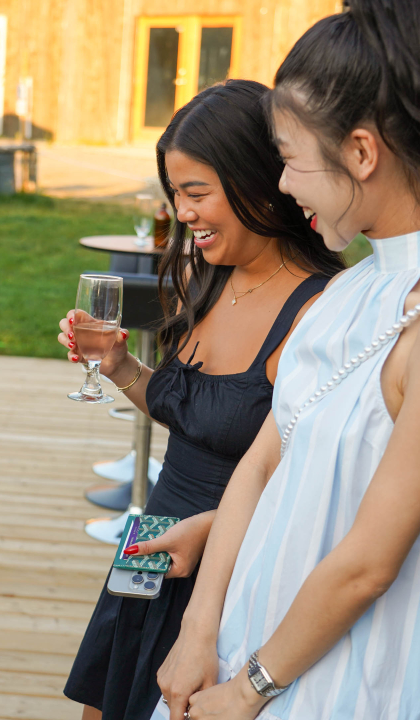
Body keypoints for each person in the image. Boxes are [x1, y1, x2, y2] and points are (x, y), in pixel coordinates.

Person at [155, 3, 420, 719]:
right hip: (256, 635)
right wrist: (199, 633)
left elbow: (369, 566)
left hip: (360, 672)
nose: (282, 185)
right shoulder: (351, 287)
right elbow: (263, 463)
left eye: (289, 159)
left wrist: (250, 690)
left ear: (361, 152)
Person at [53, 80, 345, 720]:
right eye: (174, 195)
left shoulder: (320, 311)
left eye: (195, 193)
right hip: (154, 538)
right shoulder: (203, 277)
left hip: (233, 571)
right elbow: (190, 416)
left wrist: (213, 530)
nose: (181, 214)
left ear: (257, 181)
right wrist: (120, 366)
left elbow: (320, 486)